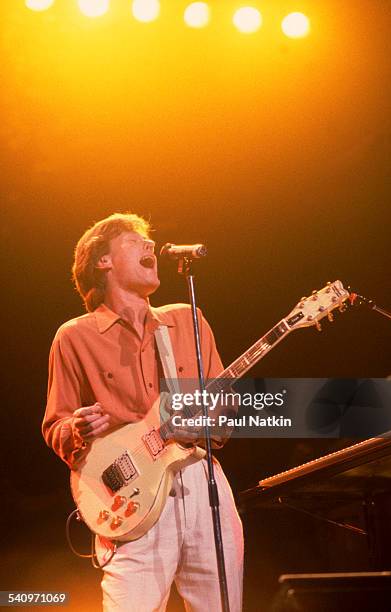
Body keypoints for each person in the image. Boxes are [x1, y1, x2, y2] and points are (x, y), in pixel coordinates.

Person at [42, 213, 243, 612]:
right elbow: (56, 425)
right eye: (136, 240)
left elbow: (228, 408)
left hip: (203, 482)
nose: (150, 246)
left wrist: (211, 415)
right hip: (129, 496)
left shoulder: (188, 319)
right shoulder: (74, 336)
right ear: (103, 261)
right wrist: (79, 426)